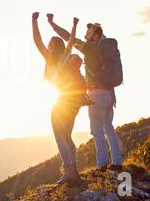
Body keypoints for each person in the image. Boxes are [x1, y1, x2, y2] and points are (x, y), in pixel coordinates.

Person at [47, 14, 123, 171]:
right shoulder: (106, 49)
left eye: (88, 34)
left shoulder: (90, 47)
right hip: (110, 94)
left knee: (97, 131)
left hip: (96, 94)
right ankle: (117, 162)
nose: (85, 36)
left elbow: (69, 38)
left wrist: (52, 24)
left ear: (96, 35)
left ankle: (101, 165)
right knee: (109, 128)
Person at [32, 12, 88, 184]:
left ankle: (69, 170)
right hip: (75, 102)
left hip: (61, 102)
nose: (47, 46)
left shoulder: (50, 57)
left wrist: (34, 21)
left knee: (59, 135)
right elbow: (71, 40)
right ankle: (74, 171)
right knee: (67, 136)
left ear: (50, 47)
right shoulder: (66, 54)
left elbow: (36, 40)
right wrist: (74, 26)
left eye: (49, 45)